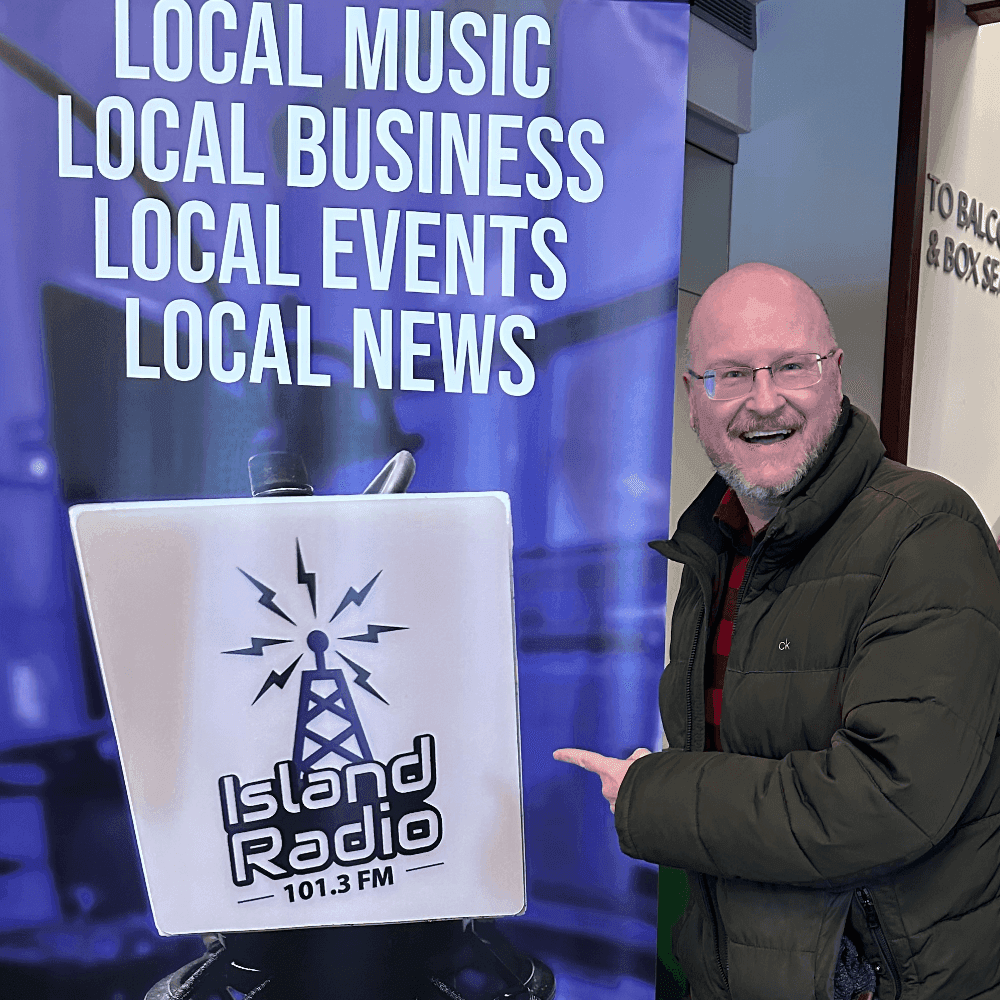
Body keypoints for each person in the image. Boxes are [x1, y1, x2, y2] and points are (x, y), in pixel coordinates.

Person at [555, 263, 1000, 1000]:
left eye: (791, 366)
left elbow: (888, 800)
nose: (765, 402)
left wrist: (651, 793)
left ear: (835, 373)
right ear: (692, 399)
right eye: (730, 375)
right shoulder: (714, 550)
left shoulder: (926, 533)